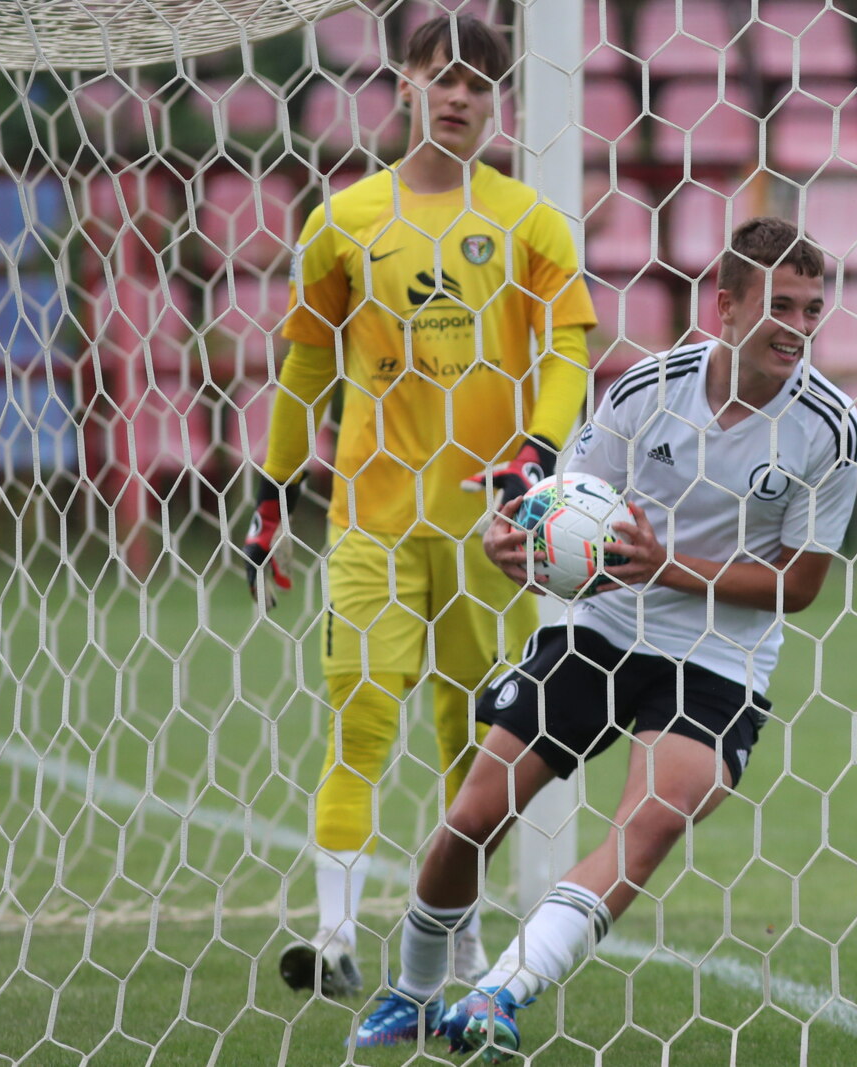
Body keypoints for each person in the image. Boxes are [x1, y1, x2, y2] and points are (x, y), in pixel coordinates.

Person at [350, 217, 857, 1056]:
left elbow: (798, 587)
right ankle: (411, 988)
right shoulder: (643, 391)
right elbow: (565, 507)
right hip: (603, 629)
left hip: (719, 658)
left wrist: (666, 564)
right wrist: (512, 538)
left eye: (815, 310)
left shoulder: (827, 427)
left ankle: (497, 995)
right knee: (476, 812)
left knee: (648, 823)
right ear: (726, 306)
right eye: (784, 307)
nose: (801, 329)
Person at [242, 13, 596, 998]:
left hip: (489, 525)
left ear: (497, 100)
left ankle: (461, 944)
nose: (460, 97)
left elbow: (568, 348)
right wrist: (270, 493)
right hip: (369, 514)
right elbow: (307, 364)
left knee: (473, 739)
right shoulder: (344, 221)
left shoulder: (528, 221)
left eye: (480, 84)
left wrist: (536, 449)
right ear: (405, 84)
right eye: (444, 78)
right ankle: (335, 934)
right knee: (359, 716)